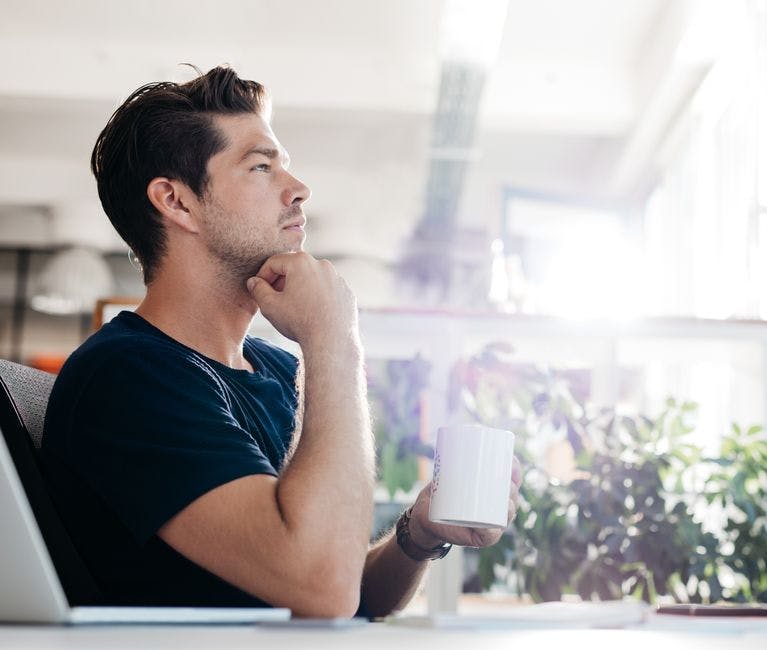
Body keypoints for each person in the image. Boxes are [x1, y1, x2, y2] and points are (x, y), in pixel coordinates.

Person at [41, 66, 522, 618]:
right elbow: (322, 589)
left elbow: (345, 588)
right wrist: (334, 337)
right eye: (262, 166)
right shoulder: (127, 376)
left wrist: (417, 534)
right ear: (176, 202)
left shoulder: (271, 366)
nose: (298, 190)